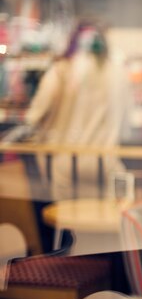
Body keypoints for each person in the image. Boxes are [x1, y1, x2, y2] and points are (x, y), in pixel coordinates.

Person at [25, 20, 129, 199]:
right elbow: (127, 121)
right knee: (103, 219)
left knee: (67, 219)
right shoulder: (118, 73)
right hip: (106, 161)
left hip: (65, 160)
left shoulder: (60, 71)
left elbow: (35, 114)